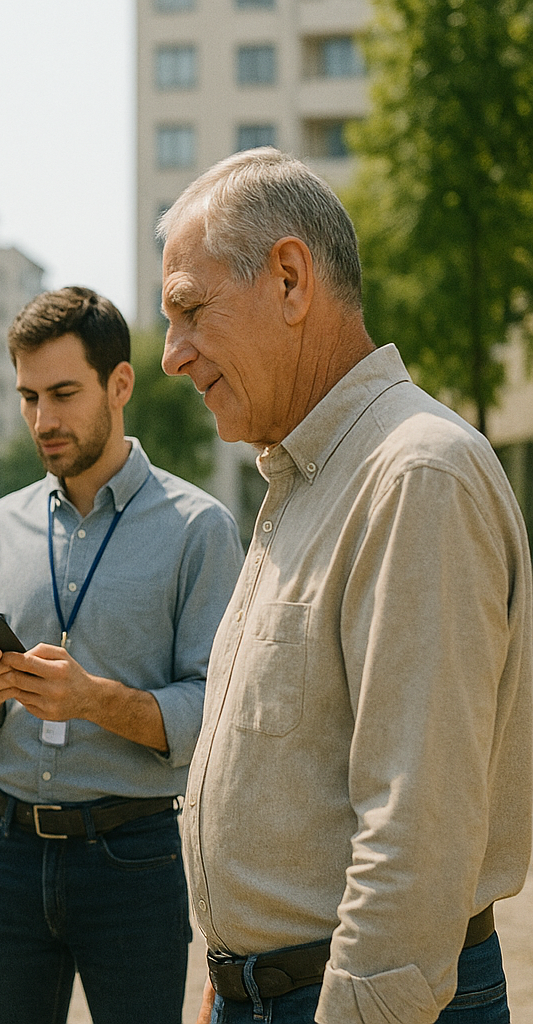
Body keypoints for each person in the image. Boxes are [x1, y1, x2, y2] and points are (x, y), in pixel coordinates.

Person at [160, 148, 531, 1024]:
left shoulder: (415, 476)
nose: (173, 355)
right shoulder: (310, 476)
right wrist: (234, 967)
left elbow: (415, 838)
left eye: (189, 309)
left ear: (290, 279)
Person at [0, 285, 243, 1024]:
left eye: (63, 394)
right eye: (29, 397)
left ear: (120, 384)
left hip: (133, 856)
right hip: (5, 851)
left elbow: (216, 714)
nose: (43, 420)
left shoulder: (198, 529)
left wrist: (90, 699)